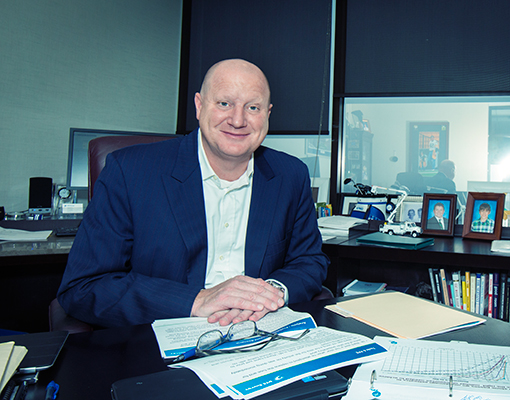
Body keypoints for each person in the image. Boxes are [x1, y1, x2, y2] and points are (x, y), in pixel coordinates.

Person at [57, 59, 329, 328]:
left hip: (261, 329)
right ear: (199, 106)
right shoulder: (130, 171)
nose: (237, 120)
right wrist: (196, 300)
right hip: (163, 334)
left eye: (253, 107)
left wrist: (269, 292)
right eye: (224, 103)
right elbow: (84, 286)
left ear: (267, 114)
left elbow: (309, 260)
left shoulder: (291, 175)